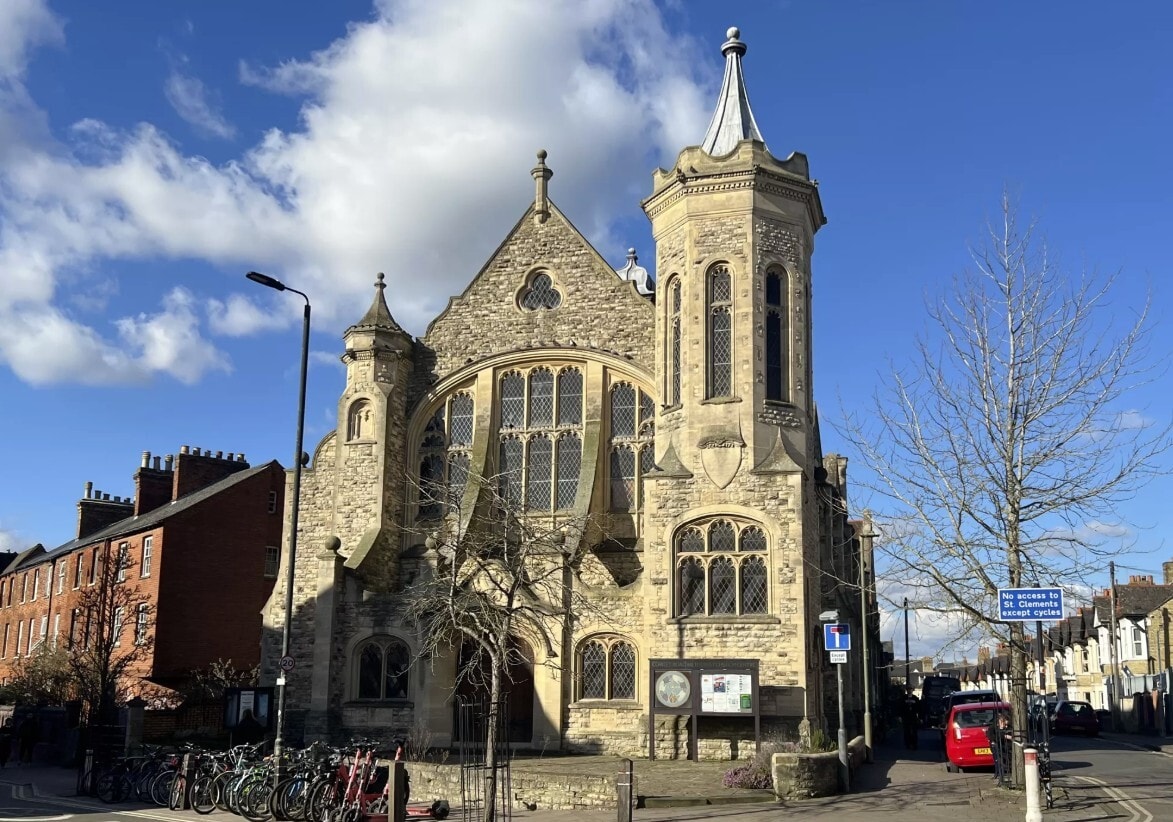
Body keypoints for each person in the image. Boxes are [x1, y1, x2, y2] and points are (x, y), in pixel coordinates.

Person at [986, 711, 1012, 785]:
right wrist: (1004, 735)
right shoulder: (992, 728)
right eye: (1005, 724)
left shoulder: (1009, 728)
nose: (1006, 726)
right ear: (1000, 721)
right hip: (997, 747)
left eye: (1007, 725)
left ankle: (1002, 774)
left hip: (1007, 748)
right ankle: (999, 774)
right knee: (998, 760)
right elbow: (992, 737)